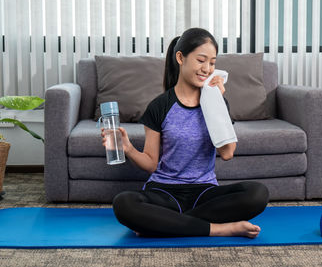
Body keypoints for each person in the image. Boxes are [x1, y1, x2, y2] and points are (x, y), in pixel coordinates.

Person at [101, 28, 269, 238]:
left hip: (204, 192)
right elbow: (151, 163)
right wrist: (128, 148)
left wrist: (216, 103)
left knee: (257, 194)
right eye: (201, 60)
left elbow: (227, 153)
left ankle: (164, 224)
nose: (207, 69)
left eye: (212, 63)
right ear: (180, 58)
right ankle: (220, 229)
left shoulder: (217, 102)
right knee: (123, 203)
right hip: (164, 192)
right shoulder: (160, 106)